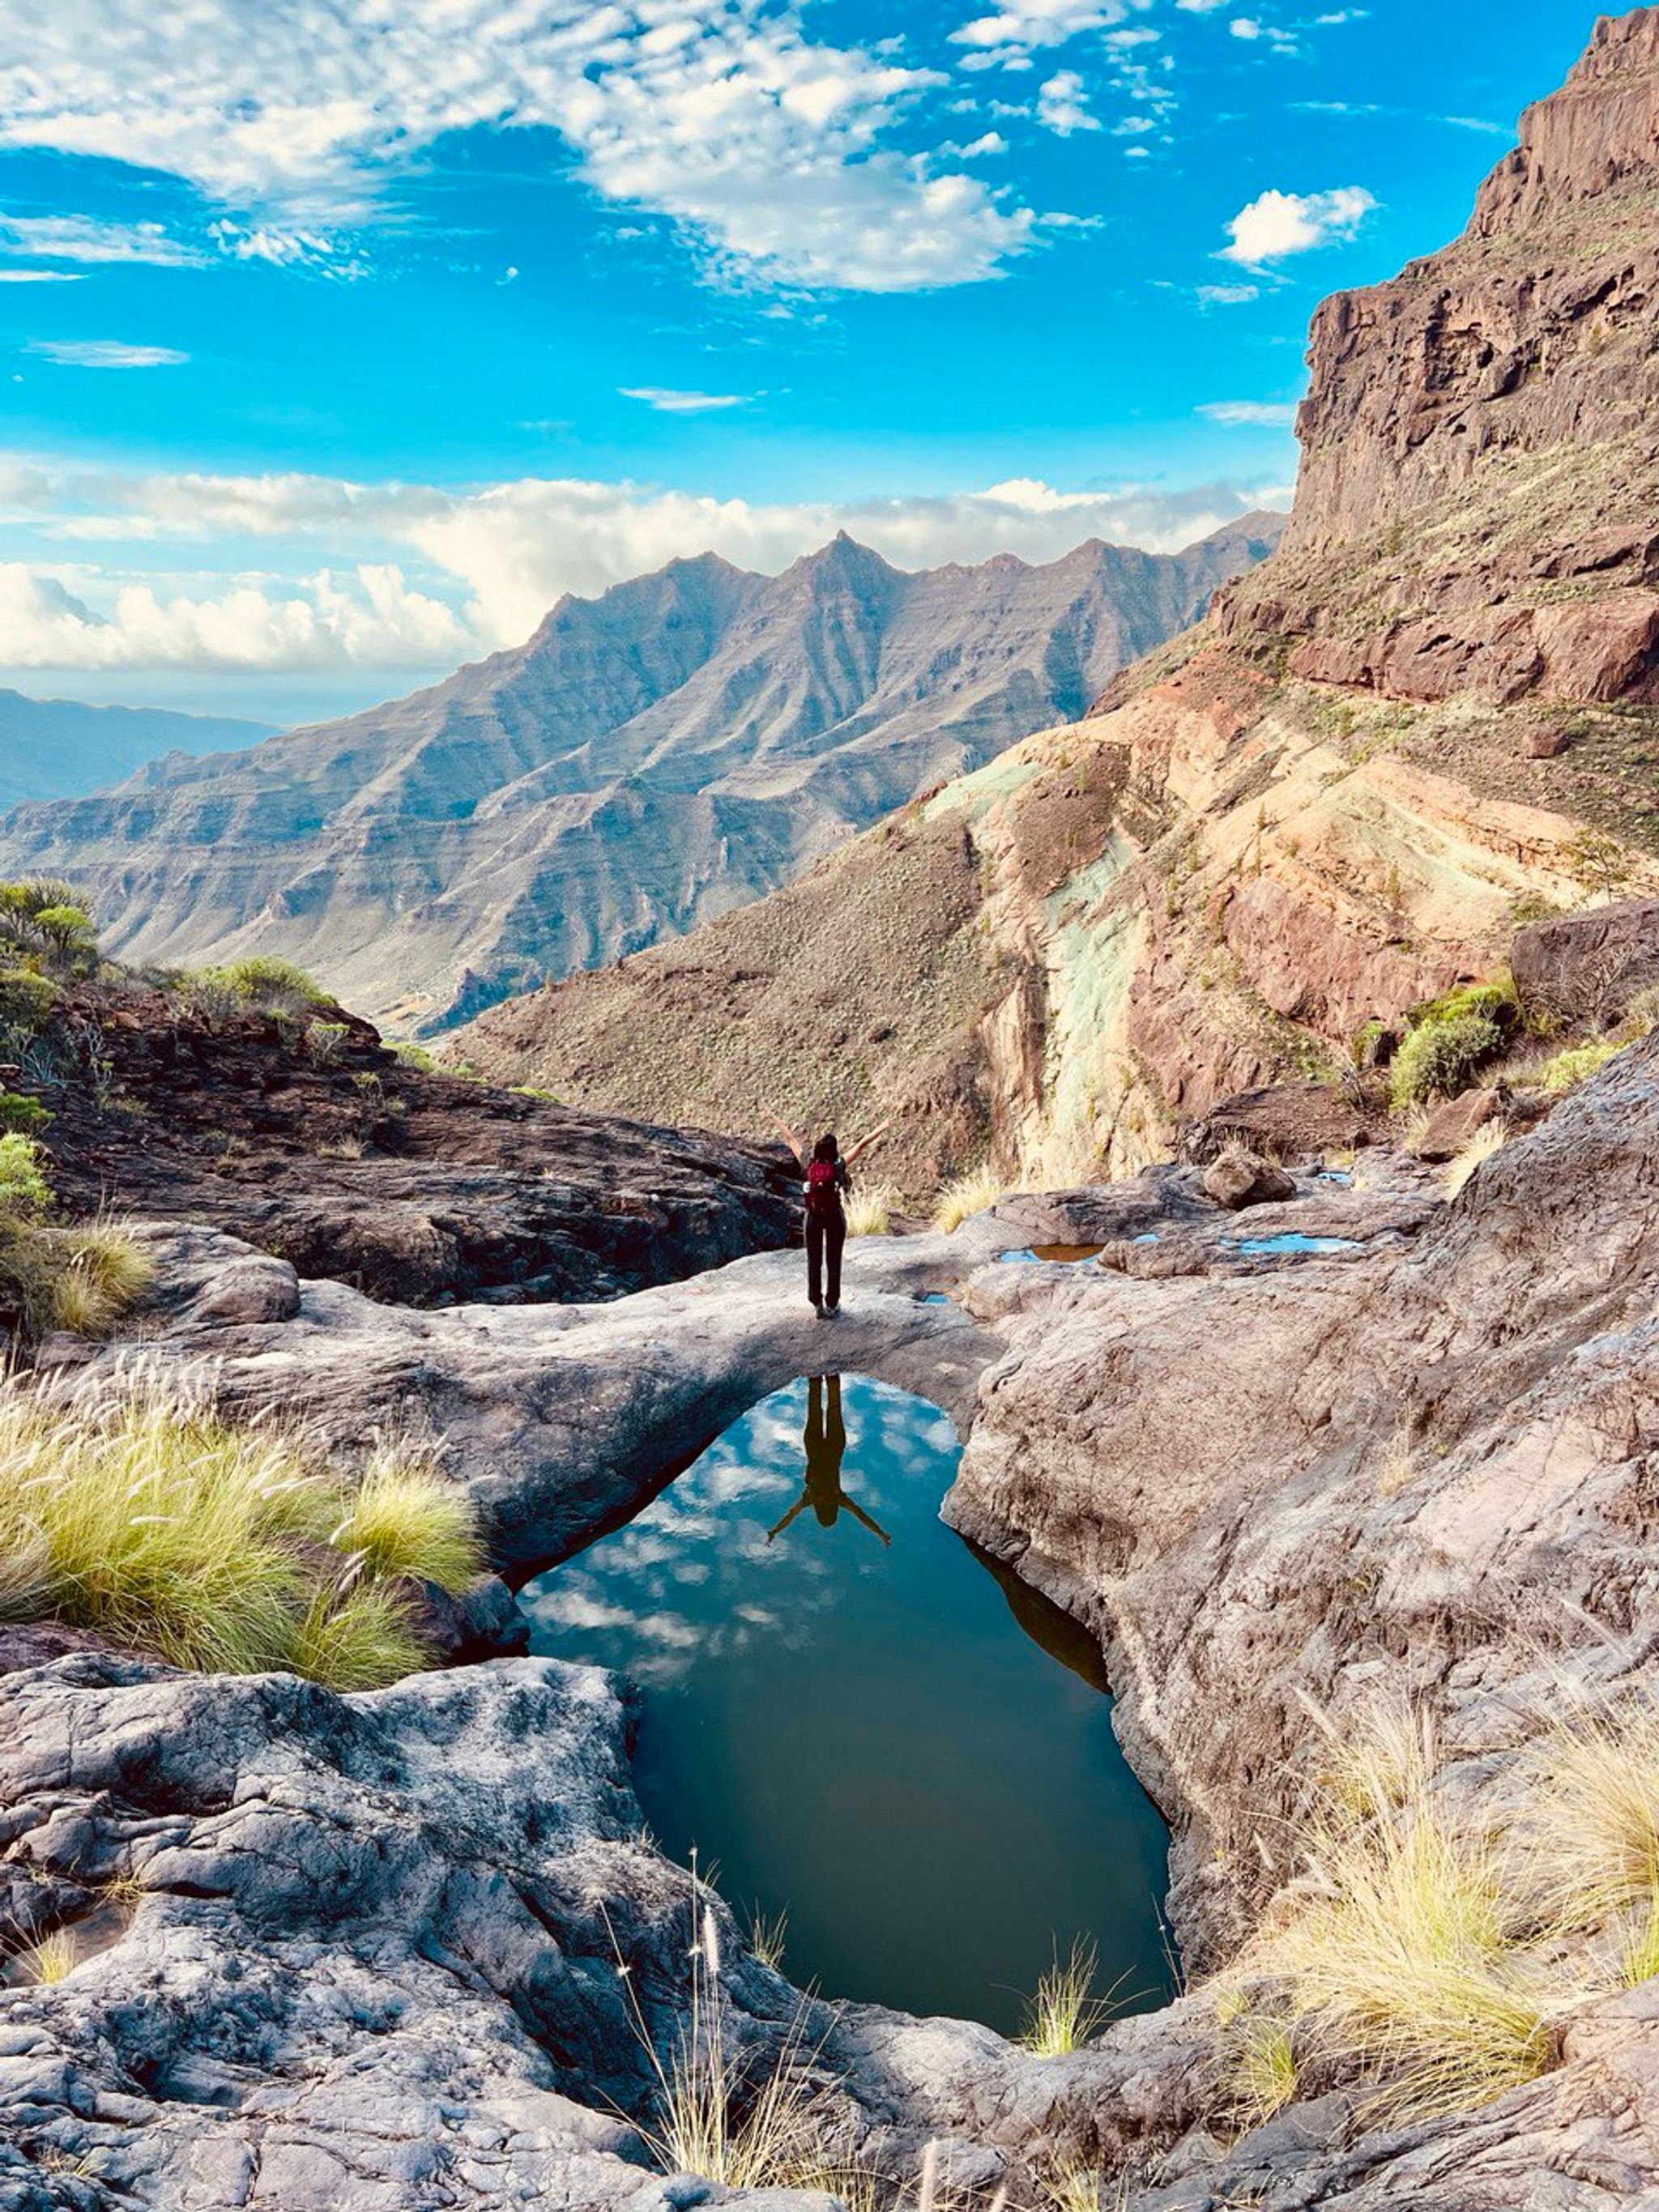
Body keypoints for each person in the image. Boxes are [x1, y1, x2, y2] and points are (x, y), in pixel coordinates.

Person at [764, 1110, 893, 1317]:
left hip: (813, 1217)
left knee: (813, 1260)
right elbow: (861, 1145)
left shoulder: (809, 1163)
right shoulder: (838, 1165)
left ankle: (816, 1303)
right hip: (834, 1217)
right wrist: (882, 1127)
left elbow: (789, 1138)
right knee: (834, 1260)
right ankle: (832, 1304)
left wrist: (773, 1118)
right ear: (834, 1151)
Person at [766, 1375, 891, 1547]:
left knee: (821, 1410)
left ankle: (819, 1379)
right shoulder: (832, 1498)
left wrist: (775, 1531)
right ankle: (824, 1378)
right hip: (829, 1446)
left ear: (820, 1508)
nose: (825, 1500)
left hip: (822, 1446)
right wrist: (879, 1533)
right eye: (828, 1505)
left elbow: (790, 1515)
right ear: (831, 1508)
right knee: (825, 1410)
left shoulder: (815, 1498)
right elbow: (861, 1516)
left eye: (823, 1504)